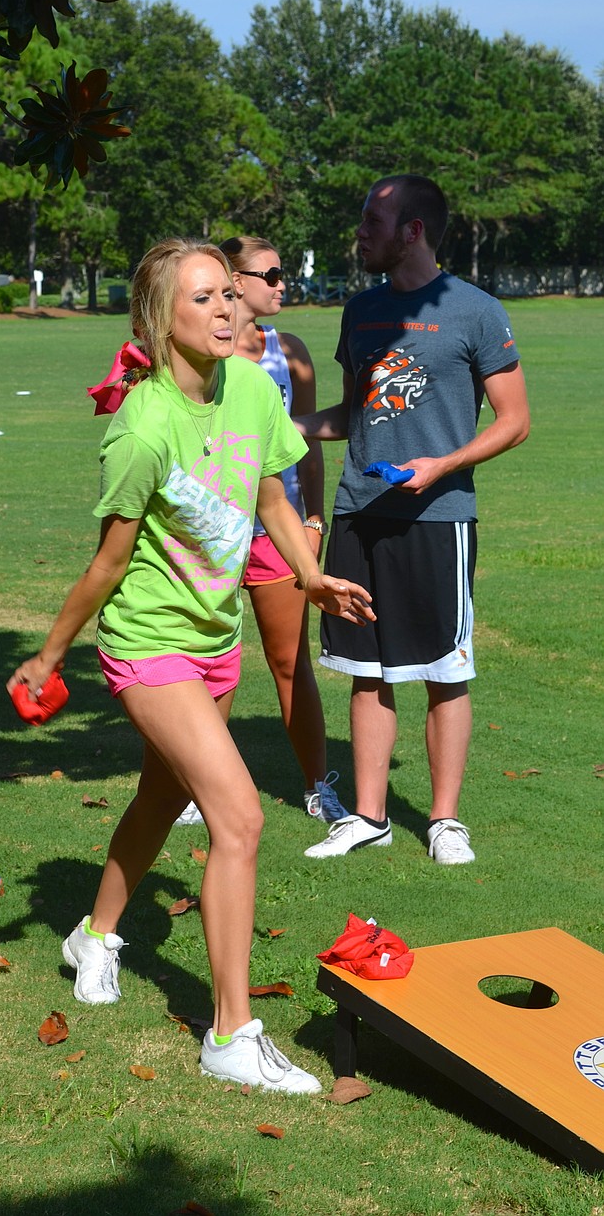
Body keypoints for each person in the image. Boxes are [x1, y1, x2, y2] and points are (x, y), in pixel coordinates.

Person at [8, 237, 374, 1091]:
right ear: (158, 319)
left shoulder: (250, 386)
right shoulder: (141, 426)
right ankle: (231, 1033)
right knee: (239, 817)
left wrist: (310, 574)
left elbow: (273, 496)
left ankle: (93, 936)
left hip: (213, 646)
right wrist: (50, 653)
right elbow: (106, 564)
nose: (223, 309)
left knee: (157, 798)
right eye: (202, 298)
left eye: (226, 295)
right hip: (145, 645)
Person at [295, 175, 530, 865]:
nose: (361, 233)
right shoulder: (361, 310)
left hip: (439, 515)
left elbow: (515, 421)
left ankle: (445, 819)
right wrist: (285, 428)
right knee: (366, 668)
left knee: (442, 669)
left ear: (414, 231)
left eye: (374, 221)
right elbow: (350, 414)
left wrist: (443, 464)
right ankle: (368, 815)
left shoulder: (477, 311)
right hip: (357, 512)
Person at [219, 235, 346, 826]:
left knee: (289, 661)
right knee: (206, 663)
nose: (280, 284)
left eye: (282, 274)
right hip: (213, 532)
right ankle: (198, 785)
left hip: (281, 529)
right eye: (269, 275)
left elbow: (310, 448)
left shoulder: (289, 350)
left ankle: (319, 785)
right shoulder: (201, 352)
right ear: (233, 279)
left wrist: (314, 520)